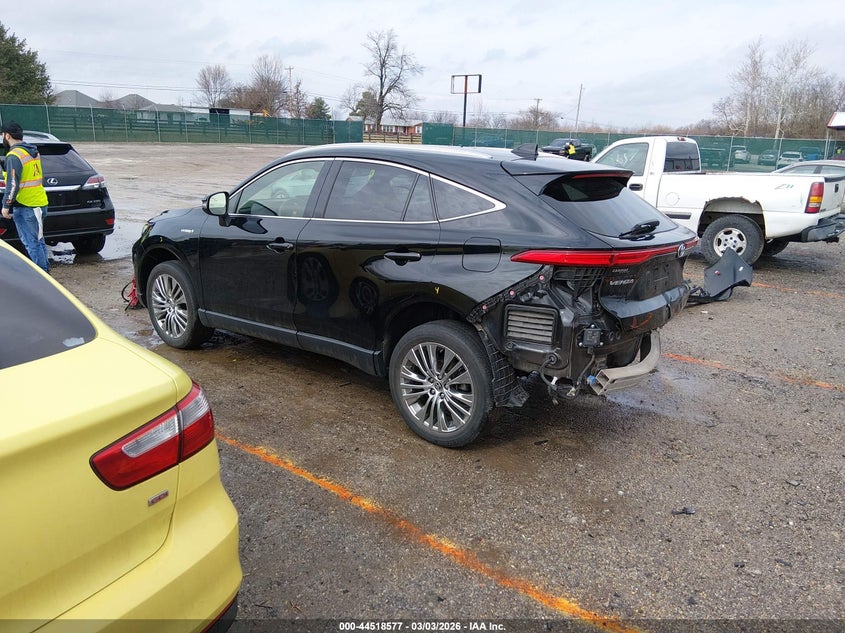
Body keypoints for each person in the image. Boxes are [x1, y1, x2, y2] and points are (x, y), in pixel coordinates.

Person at [1, 121, 50, 272]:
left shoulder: (14, 156)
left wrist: (6, 205)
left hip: (27, 206)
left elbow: (13, 184)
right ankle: (45, 273)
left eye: (2, 135)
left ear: (7, 136)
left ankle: (42, 276)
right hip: (38, 202)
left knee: (31, 243)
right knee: (38, 240)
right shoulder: (32, 151)